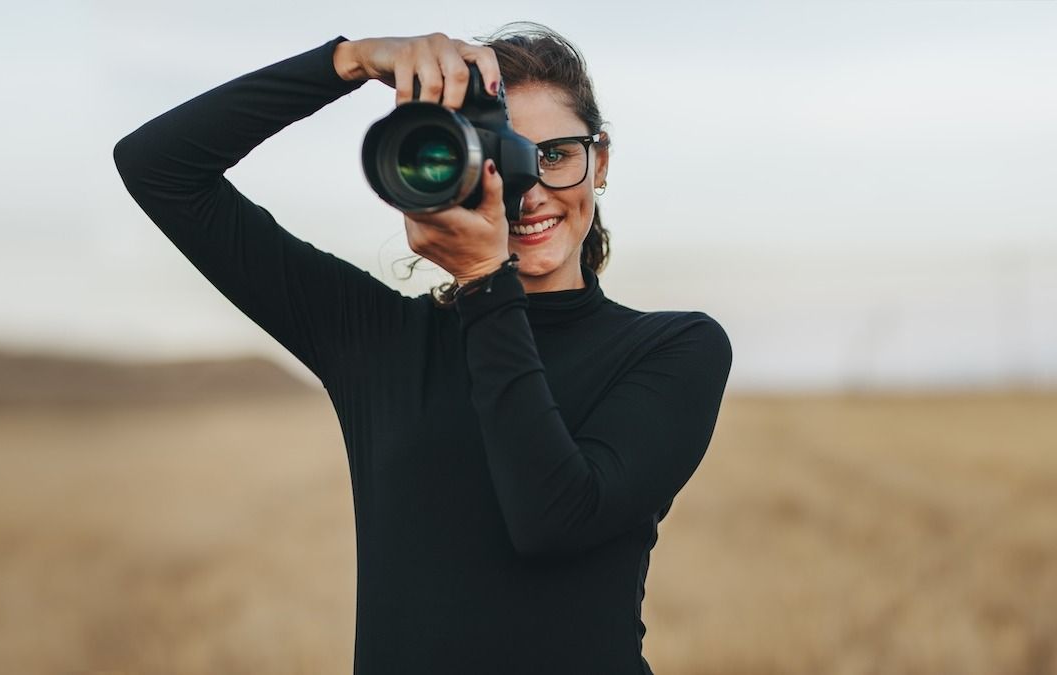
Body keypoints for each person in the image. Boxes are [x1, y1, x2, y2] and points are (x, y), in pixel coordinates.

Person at [114, 23, 731, 675]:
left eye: (555, 155)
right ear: (440, 170)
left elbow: (554, 518)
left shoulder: (673, 348)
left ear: (599, 160)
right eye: (499, 158)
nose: (527, 188)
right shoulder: (376, 340)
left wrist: (486, 282)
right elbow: (158, 168)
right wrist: (348, 61)